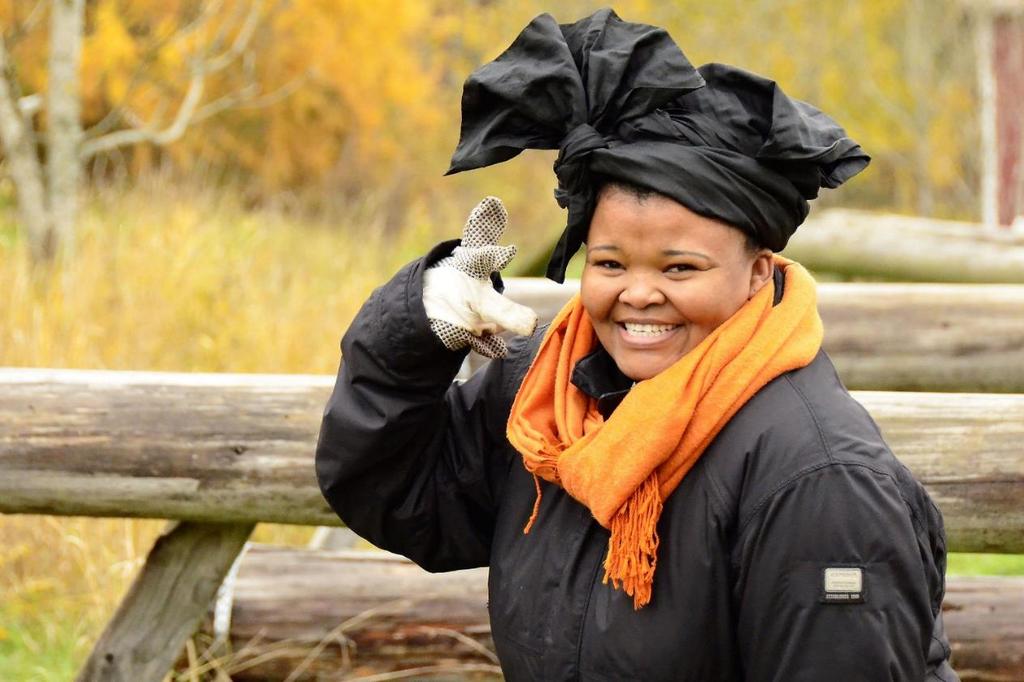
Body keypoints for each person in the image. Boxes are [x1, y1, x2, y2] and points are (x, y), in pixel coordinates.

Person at [316, 9, 959, 681]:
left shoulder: (820, 481)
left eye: (680, 268)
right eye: (611, 264)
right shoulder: (555, 397)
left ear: (758, 272)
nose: (639, 295)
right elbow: (402, 497)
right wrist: (415, 330)